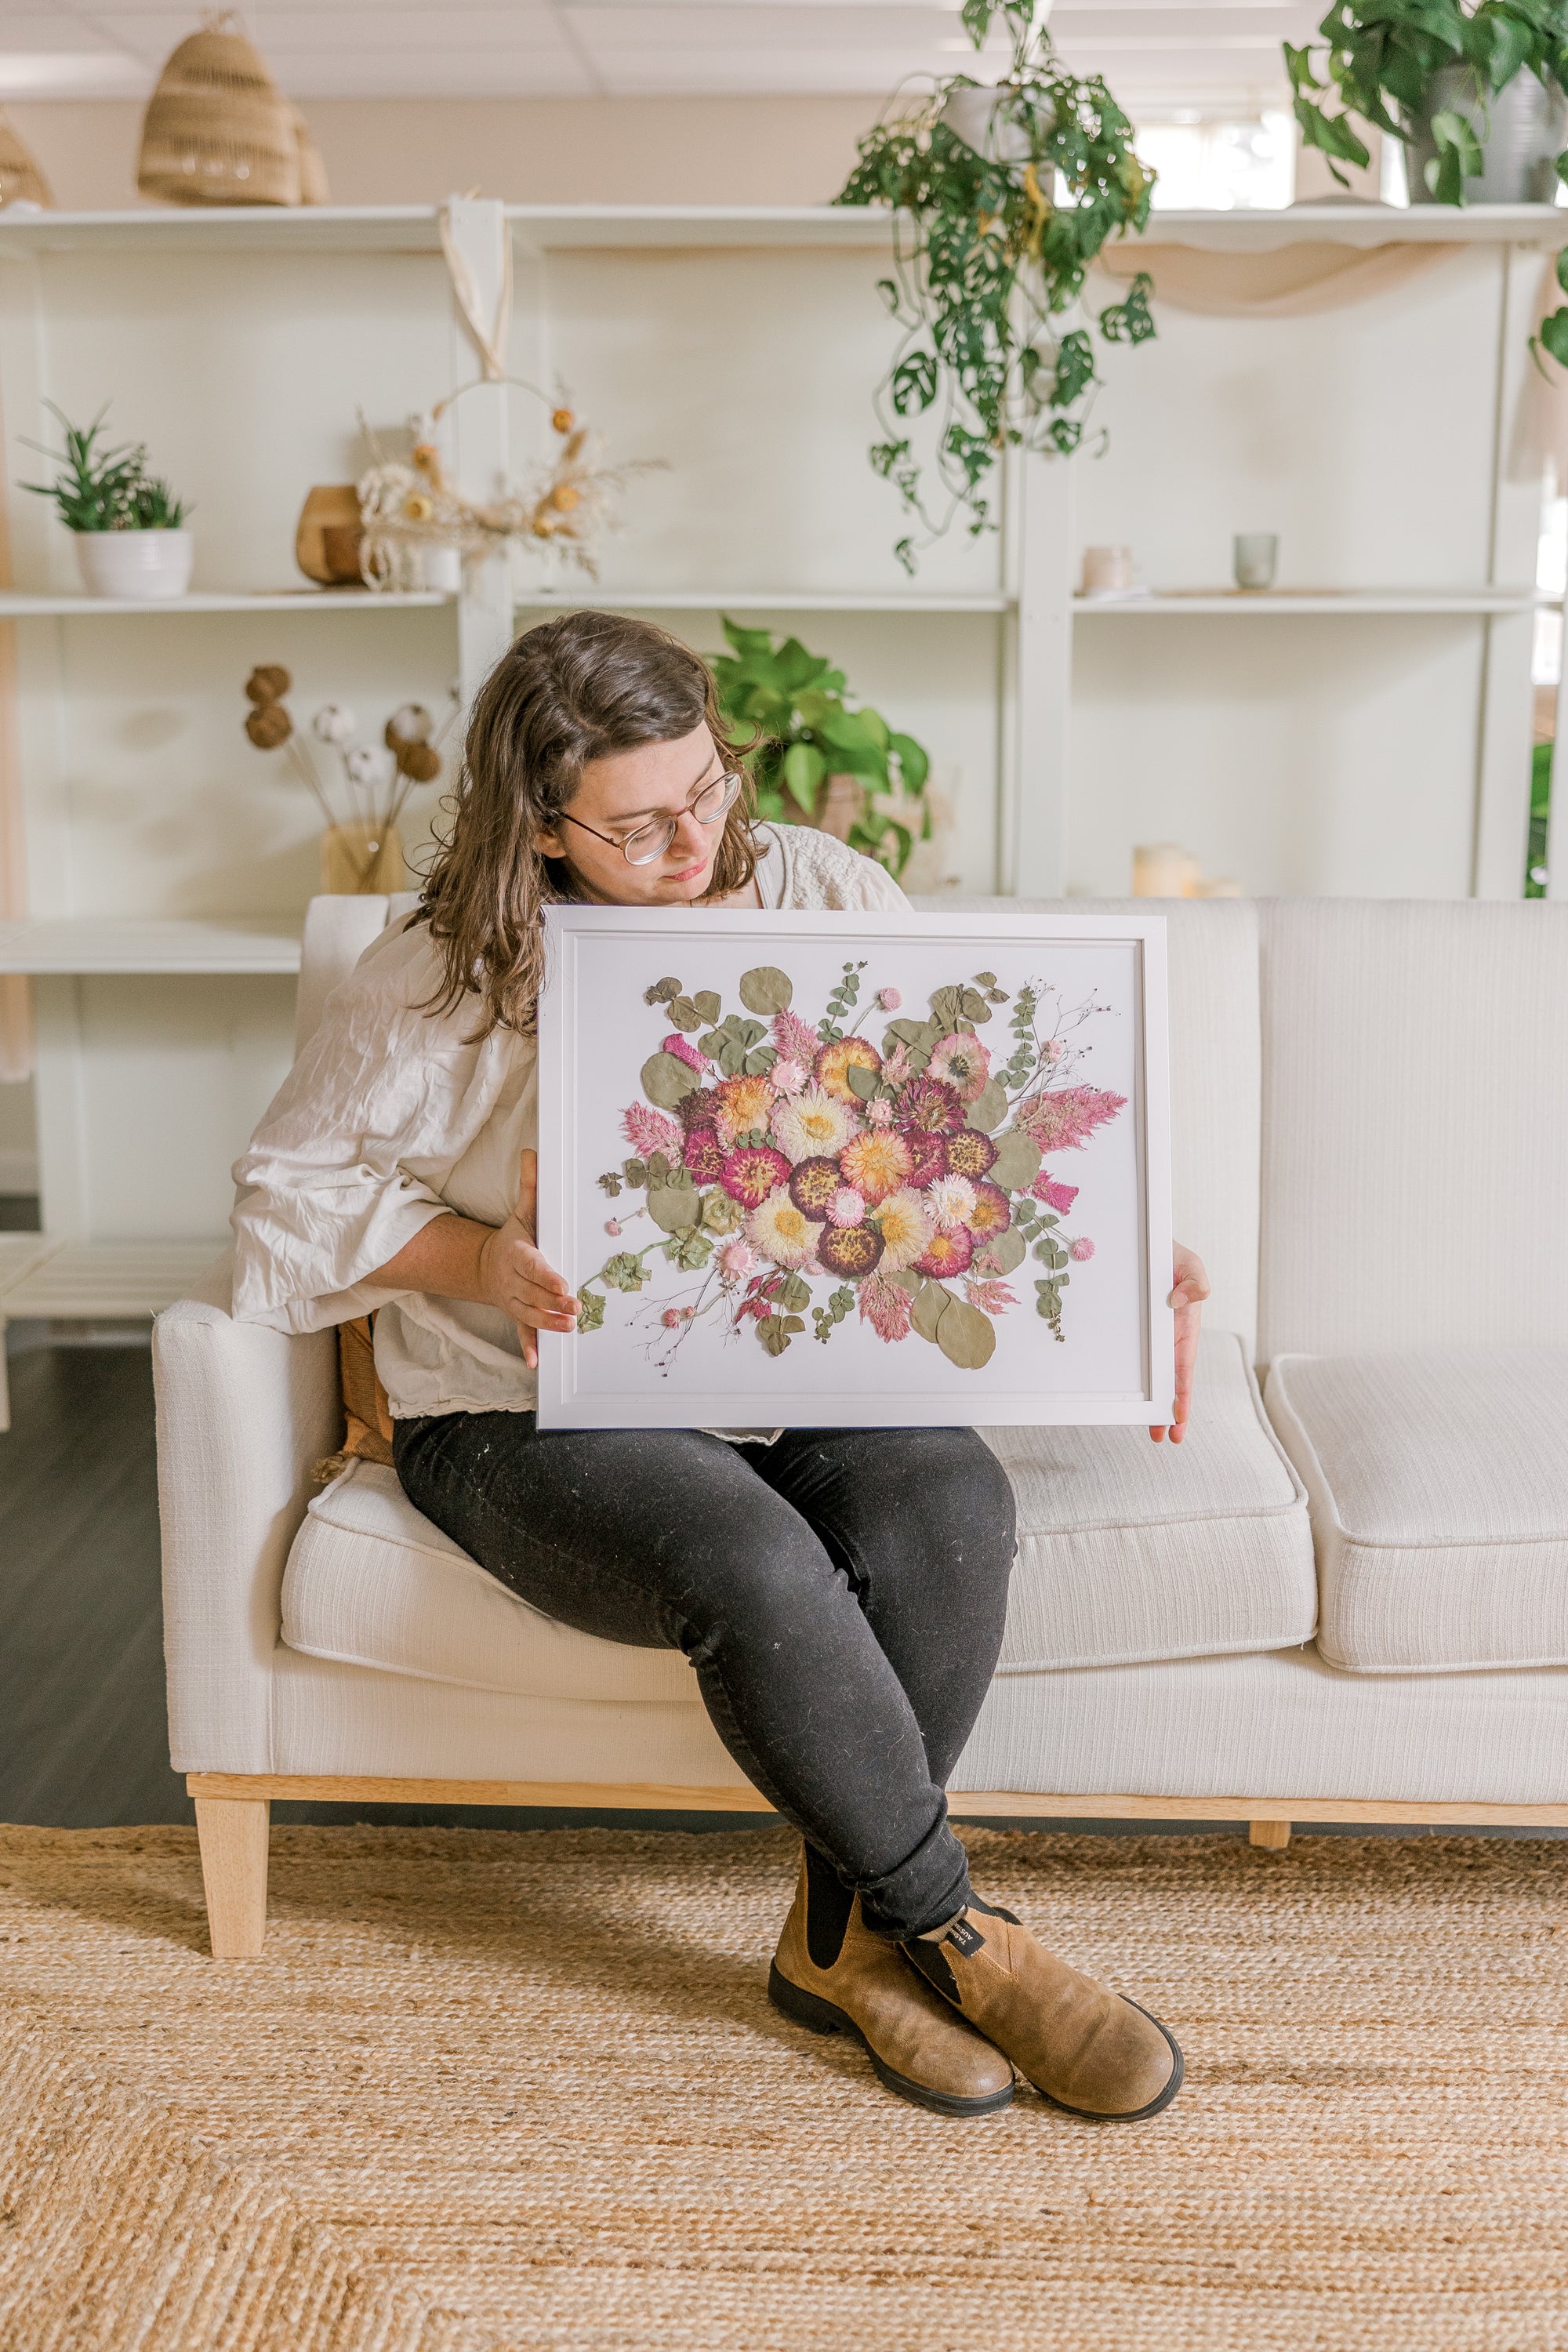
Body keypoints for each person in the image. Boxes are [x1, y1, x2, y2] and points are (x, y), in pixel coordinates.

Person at [232, 611, 1210, 2124]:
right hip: (515, 1406)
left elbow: (966, 1094)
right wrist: (474, 1259)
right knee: (757, 1563)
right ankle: (960, 1934)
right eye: (637, 826)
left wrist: (1131, 1258)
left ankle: (835, 1949)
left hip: (796, 1372)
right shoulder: (435, 975)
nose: (693, 841)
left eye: (707, 792)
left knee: (948, 1507)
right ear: (540, 828)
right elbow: (280, 1201)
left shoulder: (824, 889)